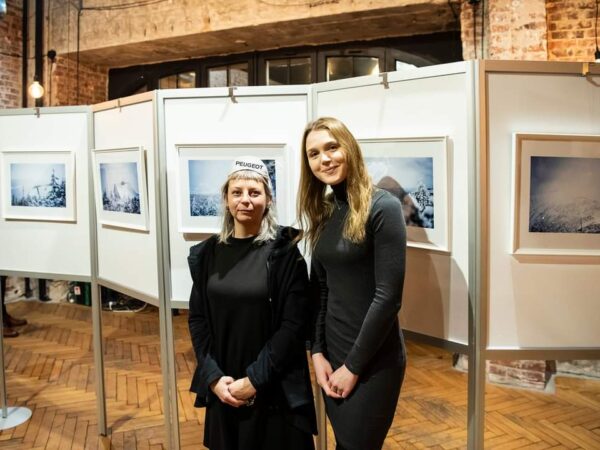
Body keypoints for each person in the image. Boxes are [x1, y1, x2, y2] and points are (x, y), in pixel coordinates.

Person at [188, 156, 317, 450]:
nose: (245, 200)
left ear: (268, 200)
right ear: (226, 199)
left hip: (274, 390)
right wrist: (213, 378)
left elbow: (293, 326)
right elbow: (198, 319)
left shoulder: (285, 253)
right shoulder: (208, 254)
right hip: (224, 388)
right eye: (237, 192)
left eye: (254, 192)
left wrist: (254, 380)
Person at [297, 117, 407, 450]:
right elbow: (320, 288)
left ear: (349, 148)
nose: (324, 159)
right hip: (332, 355)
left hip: (373, 361)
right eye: (314, 153)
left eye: (332, 147)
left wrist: (353, 367)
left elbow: (388, 297)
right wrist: (317, 352)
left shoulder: (383, 207)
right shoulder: (325, 211)